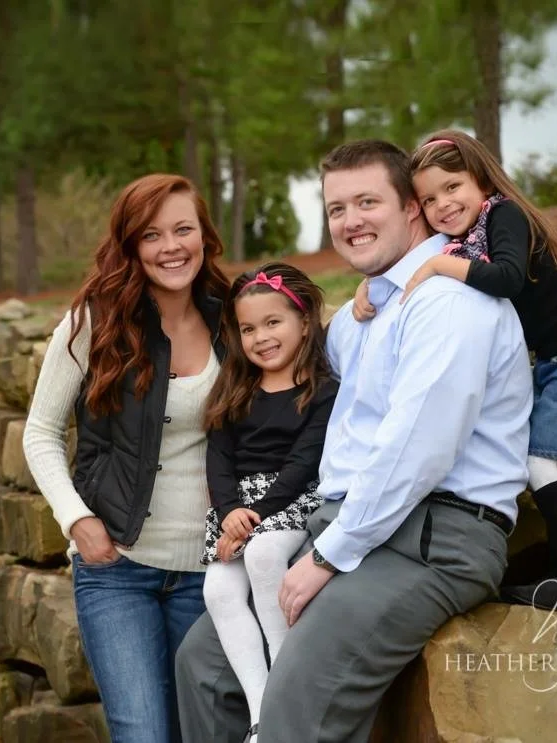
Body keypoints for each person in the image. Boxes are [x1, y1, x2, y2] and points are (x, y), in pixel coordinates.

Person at [175, 139, 532, 743]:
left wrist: (326, 555)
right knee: (203, 667)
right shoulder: (361, 318)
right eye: (337, 208)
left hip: (432, 536)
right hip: (351, 523)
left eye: (368, 201)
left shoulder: (447, 303)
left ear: (412, 209)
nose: (350, 221)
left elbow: (414, 453)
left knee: (295, 703)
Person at [352, 129, 557, 612]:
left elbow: (504, 278)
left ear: (481, 180)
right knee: (547, 460)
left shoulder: (504, 215)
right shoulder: (463, 236)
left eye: (453, 187)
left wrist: (439, 266)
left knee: (541, 461)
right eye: (429, 199)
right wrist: (371, 286)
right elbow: (407, 260)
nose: (443, 204)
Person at [23, 173, 230, 743]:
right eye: (152, 235)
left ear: (204, 236)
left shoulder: (231, 319)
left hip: (209, 574)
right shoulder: (96, 321)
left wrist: (366, 302)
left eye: (183, 229)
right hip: (118, 569)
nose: (171, 247)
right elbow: (39, 432)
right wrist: (78, 520)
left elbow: (301, 339)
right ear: (131, 246)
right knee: (143, 734)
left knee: (204, 733)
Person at [200, 262, 338, 743]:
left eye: (273, 322)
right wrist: (228, 513)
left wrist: (254, 520)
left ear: (304, 320)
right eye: (248, 328)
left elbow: (303, 464)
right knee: (216, 592)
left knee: (262, 555)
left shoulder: (323, 391)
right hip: (236, 508)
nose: (260, 337)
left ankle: (287, 692)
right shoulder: (236, 387)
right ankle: (262, 715)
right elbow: (217, 458)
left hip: (291, 501)